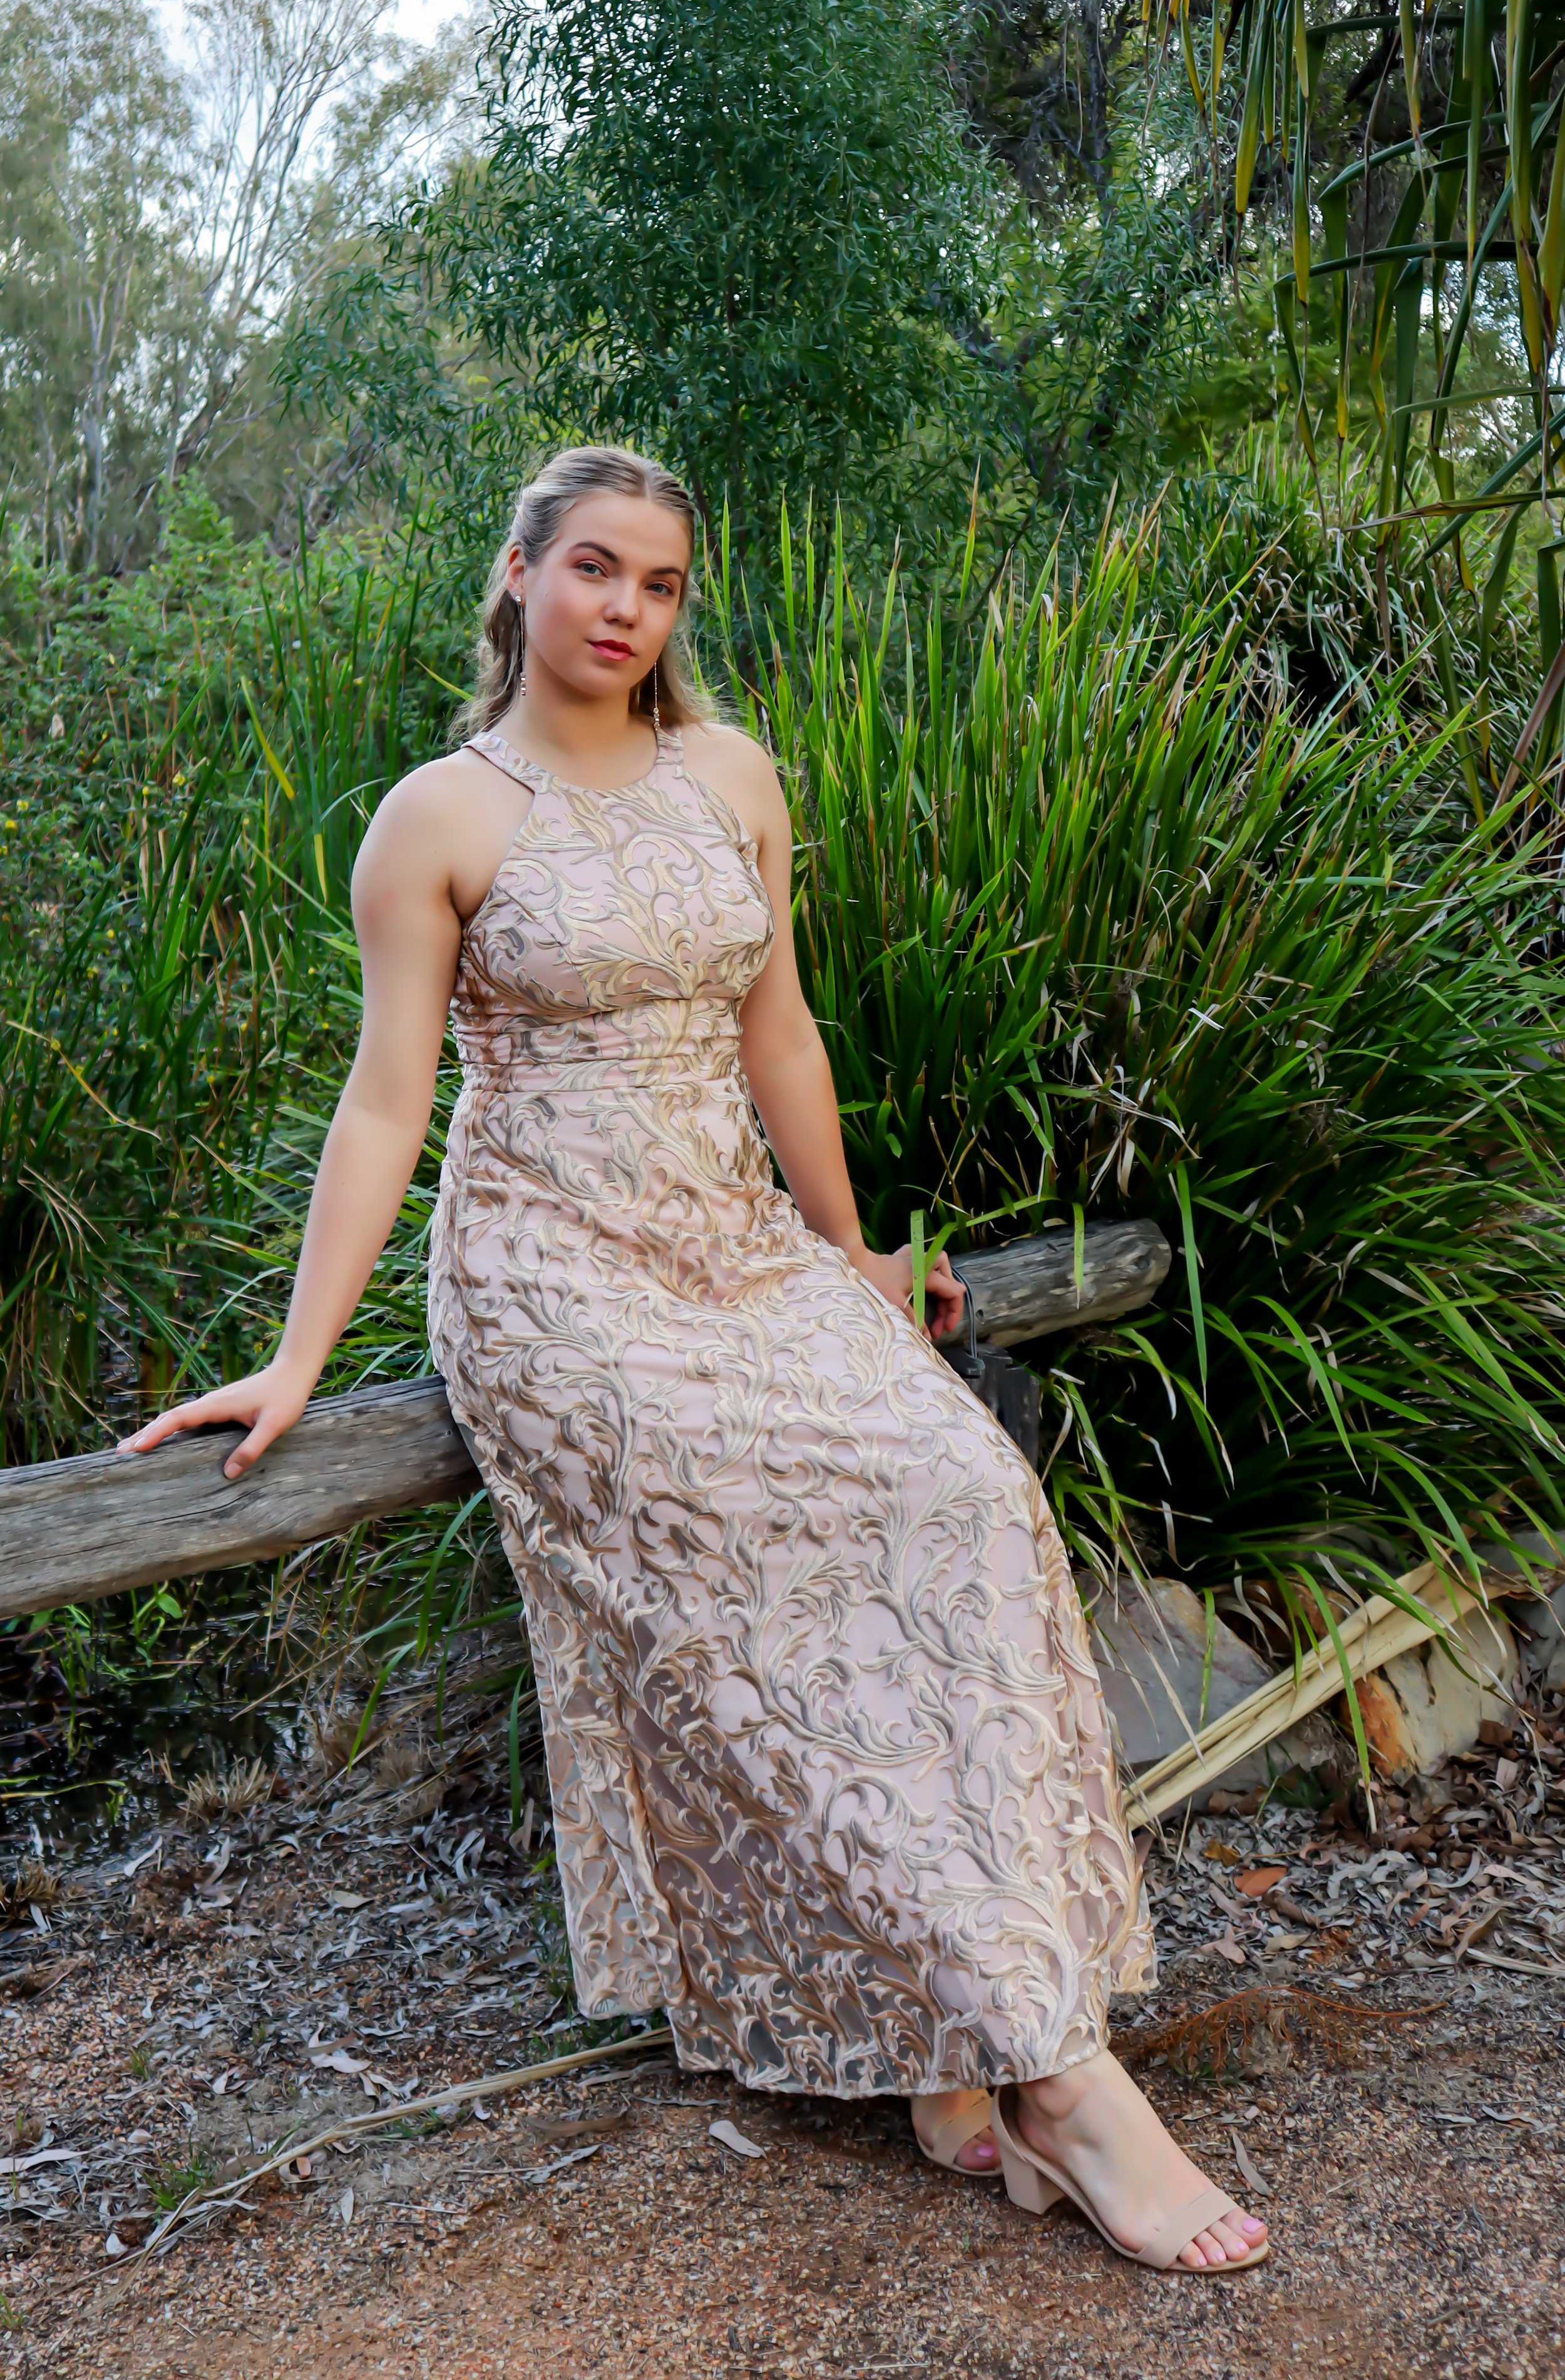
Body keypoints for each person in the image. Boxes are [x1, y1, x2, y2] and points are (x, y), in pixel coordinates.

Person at [121, 446, 1268, 2272]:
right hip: (556, 1279)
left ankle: (958, 2029)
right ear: (515, 575)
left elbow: (780, 1028)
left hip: (742, 1249)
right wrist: (291, 1358)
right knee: (743, 1607)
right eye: (591, 569)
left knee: (961, 1497)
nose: (622, 611)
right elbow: (383, 1103)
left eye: (656, 585)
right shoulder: (438, 816)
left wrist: (853, 1258)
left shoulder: (730, 777)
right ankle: (1054, 2075)